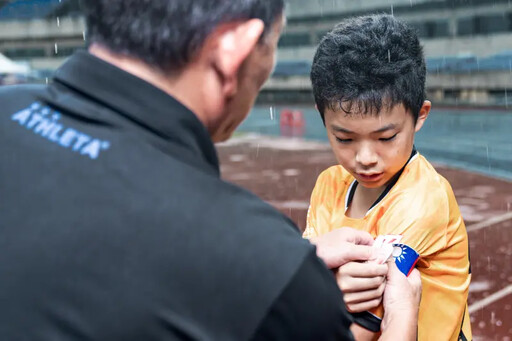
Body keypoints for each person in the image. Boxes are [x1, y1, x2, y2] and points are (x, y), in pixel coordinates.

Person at [0, 2, 419, 340]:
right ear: (233, 51)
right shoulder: (266, 267)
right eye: (271, 44)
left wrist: (299, 259)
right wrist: (401, 317)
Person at [303, 14, 472, 341]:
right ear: (322, 117)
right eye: (345, 139)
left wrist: (311, 283)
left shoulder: (422, 201)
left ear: (419, 115)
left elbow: (362, 326)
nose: (365, 158)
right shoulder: (328, 184)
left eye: (385, 138)